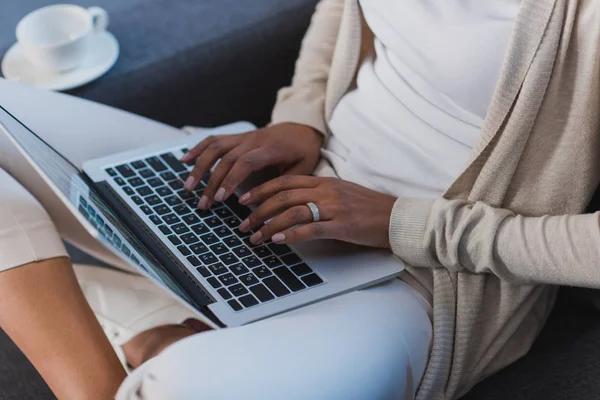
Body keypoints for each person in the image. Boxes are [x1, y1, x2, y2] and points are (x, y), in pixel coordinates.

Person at [1, 0, 599, 398]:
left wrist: (402, 224)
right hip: (282, 184)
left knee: (177, 386)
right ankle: (104, 375)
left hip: (427, 279)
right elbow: (341, 13)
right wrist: (300, 120)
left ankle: (150, 330)